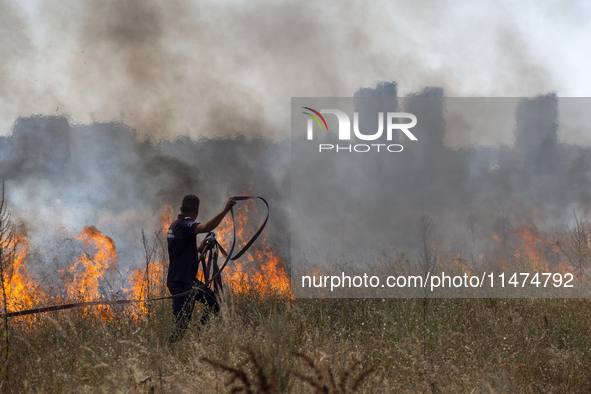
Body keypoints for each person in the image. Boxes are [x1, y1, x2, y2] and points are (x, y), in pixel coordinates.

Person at [166, 195, 236, 343]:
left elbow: (183, 249)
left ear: (181, 208)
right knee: (180, 326)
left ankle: (200, 339)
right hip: (181, 283)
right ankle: (167, 351)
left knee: (215, 302)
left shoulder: (175, 225)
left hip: (188, 281)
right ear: (196, 211)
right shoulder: (186, 225)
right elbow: (206, 227)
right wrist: (225, 210)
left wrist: (201, 247)